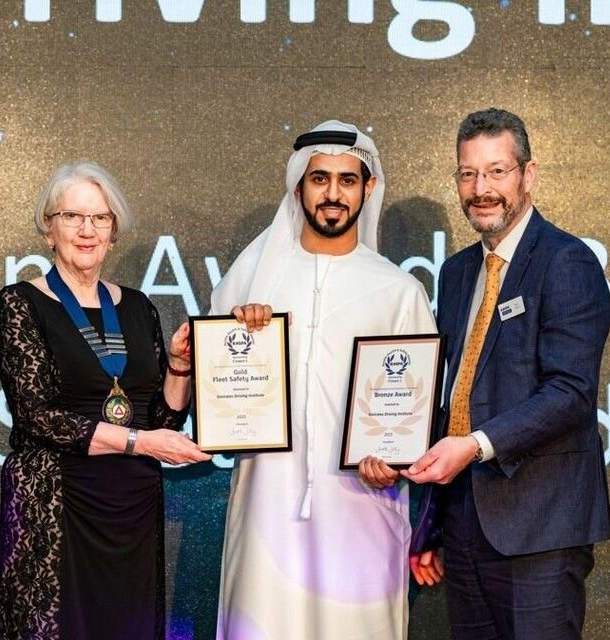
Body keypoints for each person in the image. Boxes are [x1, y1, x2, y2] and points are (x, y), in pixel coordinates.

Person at [360, 108, 610, 639]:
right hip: (464, 524)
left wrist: (474, 445)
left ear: (528, 174)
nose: (481, 189)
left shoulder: (566, 261)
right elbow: (451, 395)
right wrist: (429, 520)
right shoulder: (457, 272)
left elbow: (569, 393)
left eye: (497, 171)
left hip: (540, 527)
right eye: (468, 174)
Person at [210, 120, 439, 640]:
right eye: (319, 179)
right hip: (267, 510)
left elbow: (415, 412)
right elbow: (218, 395)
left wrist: (396, 462)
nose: (333, 194)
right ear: (298, 187)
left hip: (362, 512)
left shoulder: (399, 291)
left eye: (347, 180)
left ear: (367, 189)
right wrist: (240, 336)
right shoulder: (253, 281)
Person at [0, 161, 211, 640]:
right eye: (72, 216)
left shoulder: (137, 307)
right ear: (49, 229)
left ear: (113, 233)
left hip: (131, 506)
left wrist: (179, 365)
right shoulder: (20, 302)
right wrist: (144, 443)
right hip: (58, 504)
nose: (87, 230)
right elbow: (37, 416)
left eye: (100, 218)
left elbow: (163, 417)